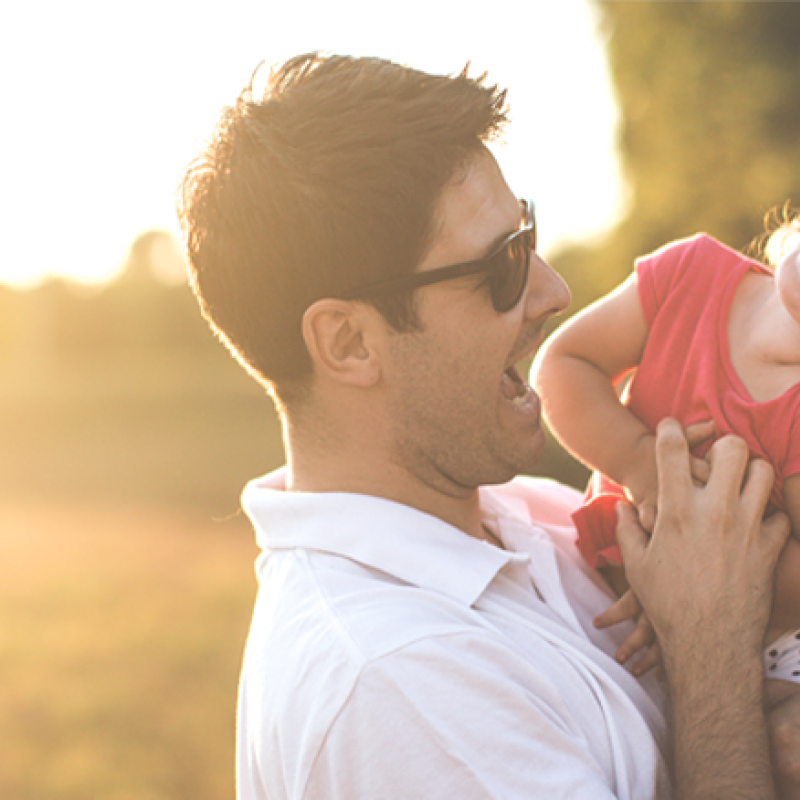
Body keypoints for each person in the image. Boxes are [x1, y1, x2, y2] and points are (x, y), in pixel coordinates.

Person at [178, 52, 788, 799]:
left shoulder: (531, 516)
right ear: (349, 344)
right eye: (501, 266)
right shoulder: (396, 685)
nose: (554, 291)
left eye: (526, 234)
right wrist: (712, 657)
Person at [533, 224, 800, 792]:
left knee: (786, 751)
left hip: (770, 651)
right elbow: (564, 363)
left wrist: (690, 584)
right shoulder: (690, 274)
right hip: (620, 621)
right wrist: (639, 464)